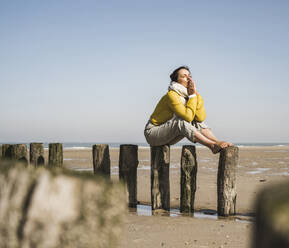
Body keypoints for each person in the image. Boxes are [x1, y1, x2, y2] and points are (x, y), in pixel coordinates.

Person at [144, 66, 233, 154]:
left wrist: (196, 95)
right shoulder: (172, 95)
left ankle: (217, 142)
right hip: (152, 133)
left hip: (168, 133)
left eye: (189, 76)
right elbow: (188, 117)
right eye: (184, 76)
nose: (188, 79)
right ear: (176, 81)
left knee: (196, 122)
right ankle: (212, 145)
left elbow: (200, 118)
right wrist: (192, 96)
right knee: (181, 122)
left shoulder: (188, 95)